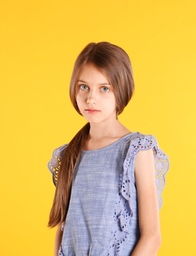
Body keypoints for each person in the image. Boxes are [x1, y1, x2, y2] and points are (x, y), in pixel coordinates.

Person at [47, 42, 169, 256]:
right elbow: (63, 229)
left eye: (104, 88)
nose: (90, 98)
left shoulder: (136, 150)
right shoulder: (68, 155)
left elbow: (152, 237)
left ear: (121, 91)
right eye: (83, 86)